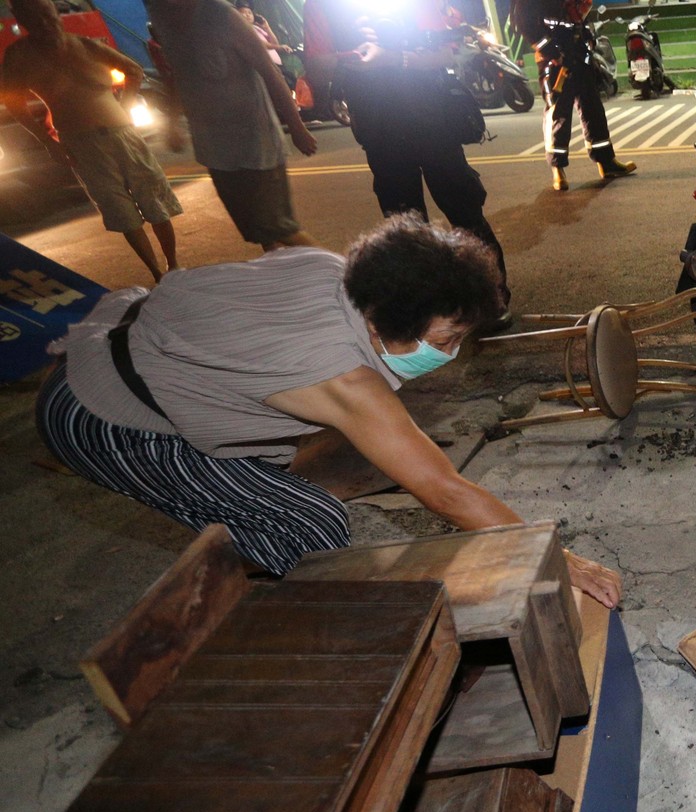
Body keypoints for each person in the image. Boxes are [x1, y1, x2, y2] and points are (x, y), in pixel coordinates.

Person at [34, 214, 622, 607]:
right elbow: (444, 490)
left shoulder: (331, 270)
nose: (451, 354)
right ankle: (285, 631)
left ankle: (260, 574)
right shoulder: (342, 376)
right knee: (311, 524)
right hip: (102, 415)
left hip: (134, 356)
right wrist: (555, 555)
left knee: (275, 487)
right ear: (387, 322)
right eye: (444, 339)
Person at [316, 0, 510, 302]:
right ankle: (430, 307)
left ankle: (491, 297)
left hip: (433, 124)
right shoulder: (324, 6)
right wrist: (348, 56)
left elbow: (446, 53)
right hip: (381, 132)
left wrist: (393, 58)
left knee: (464, 211)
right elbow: (317, 66)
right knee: (407, 229)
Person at [1, 0, 181, 281]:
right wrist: (47, 141)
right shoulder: (20, 57)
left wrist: (125, 107)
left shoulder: (86, 45)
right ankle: (157, 273)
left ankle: (173, 265)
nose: (45, 23)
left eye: (48, 15)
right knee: (120, 210)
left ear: (56, 14)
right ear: (23, 21)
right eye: (35, 18)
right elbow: (14, 103)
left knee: (153, 200)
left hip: (123, 133)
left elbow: (133, 70)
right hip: (80, 144)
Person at [146, 0, 318, 250]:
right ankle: (284, 271)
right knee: (259, 232)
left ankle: (342, 271)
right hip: (214, 150)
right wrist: (172, 124)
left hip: (255, 144)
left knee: (280, 228)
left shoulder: (221, 15)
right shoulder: (163, 20)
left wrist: (297, 127)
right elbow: (175, 76)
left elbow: (270, 72)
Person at [516, 0, 636, 191]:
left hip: (579, 53)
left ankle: (606, 162)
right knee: (558, 112)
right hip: (555, 61)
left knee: (593, 109)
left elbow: (578, 17)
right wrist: (551, 51)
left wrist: (587, 37)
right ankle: (558, 168)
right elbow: (525, 23)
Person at [235, 0, 297, 91]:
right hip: (269, 67)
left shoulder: (257, 28)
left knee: (292, 84)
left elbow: (275, 43)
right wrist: (279, 47)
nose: (248, 15)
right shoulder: (242, 30)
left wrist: (267, 28)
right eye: (243, 12)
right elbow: (259, 44)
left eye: (249, 12)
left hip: (278, 65)